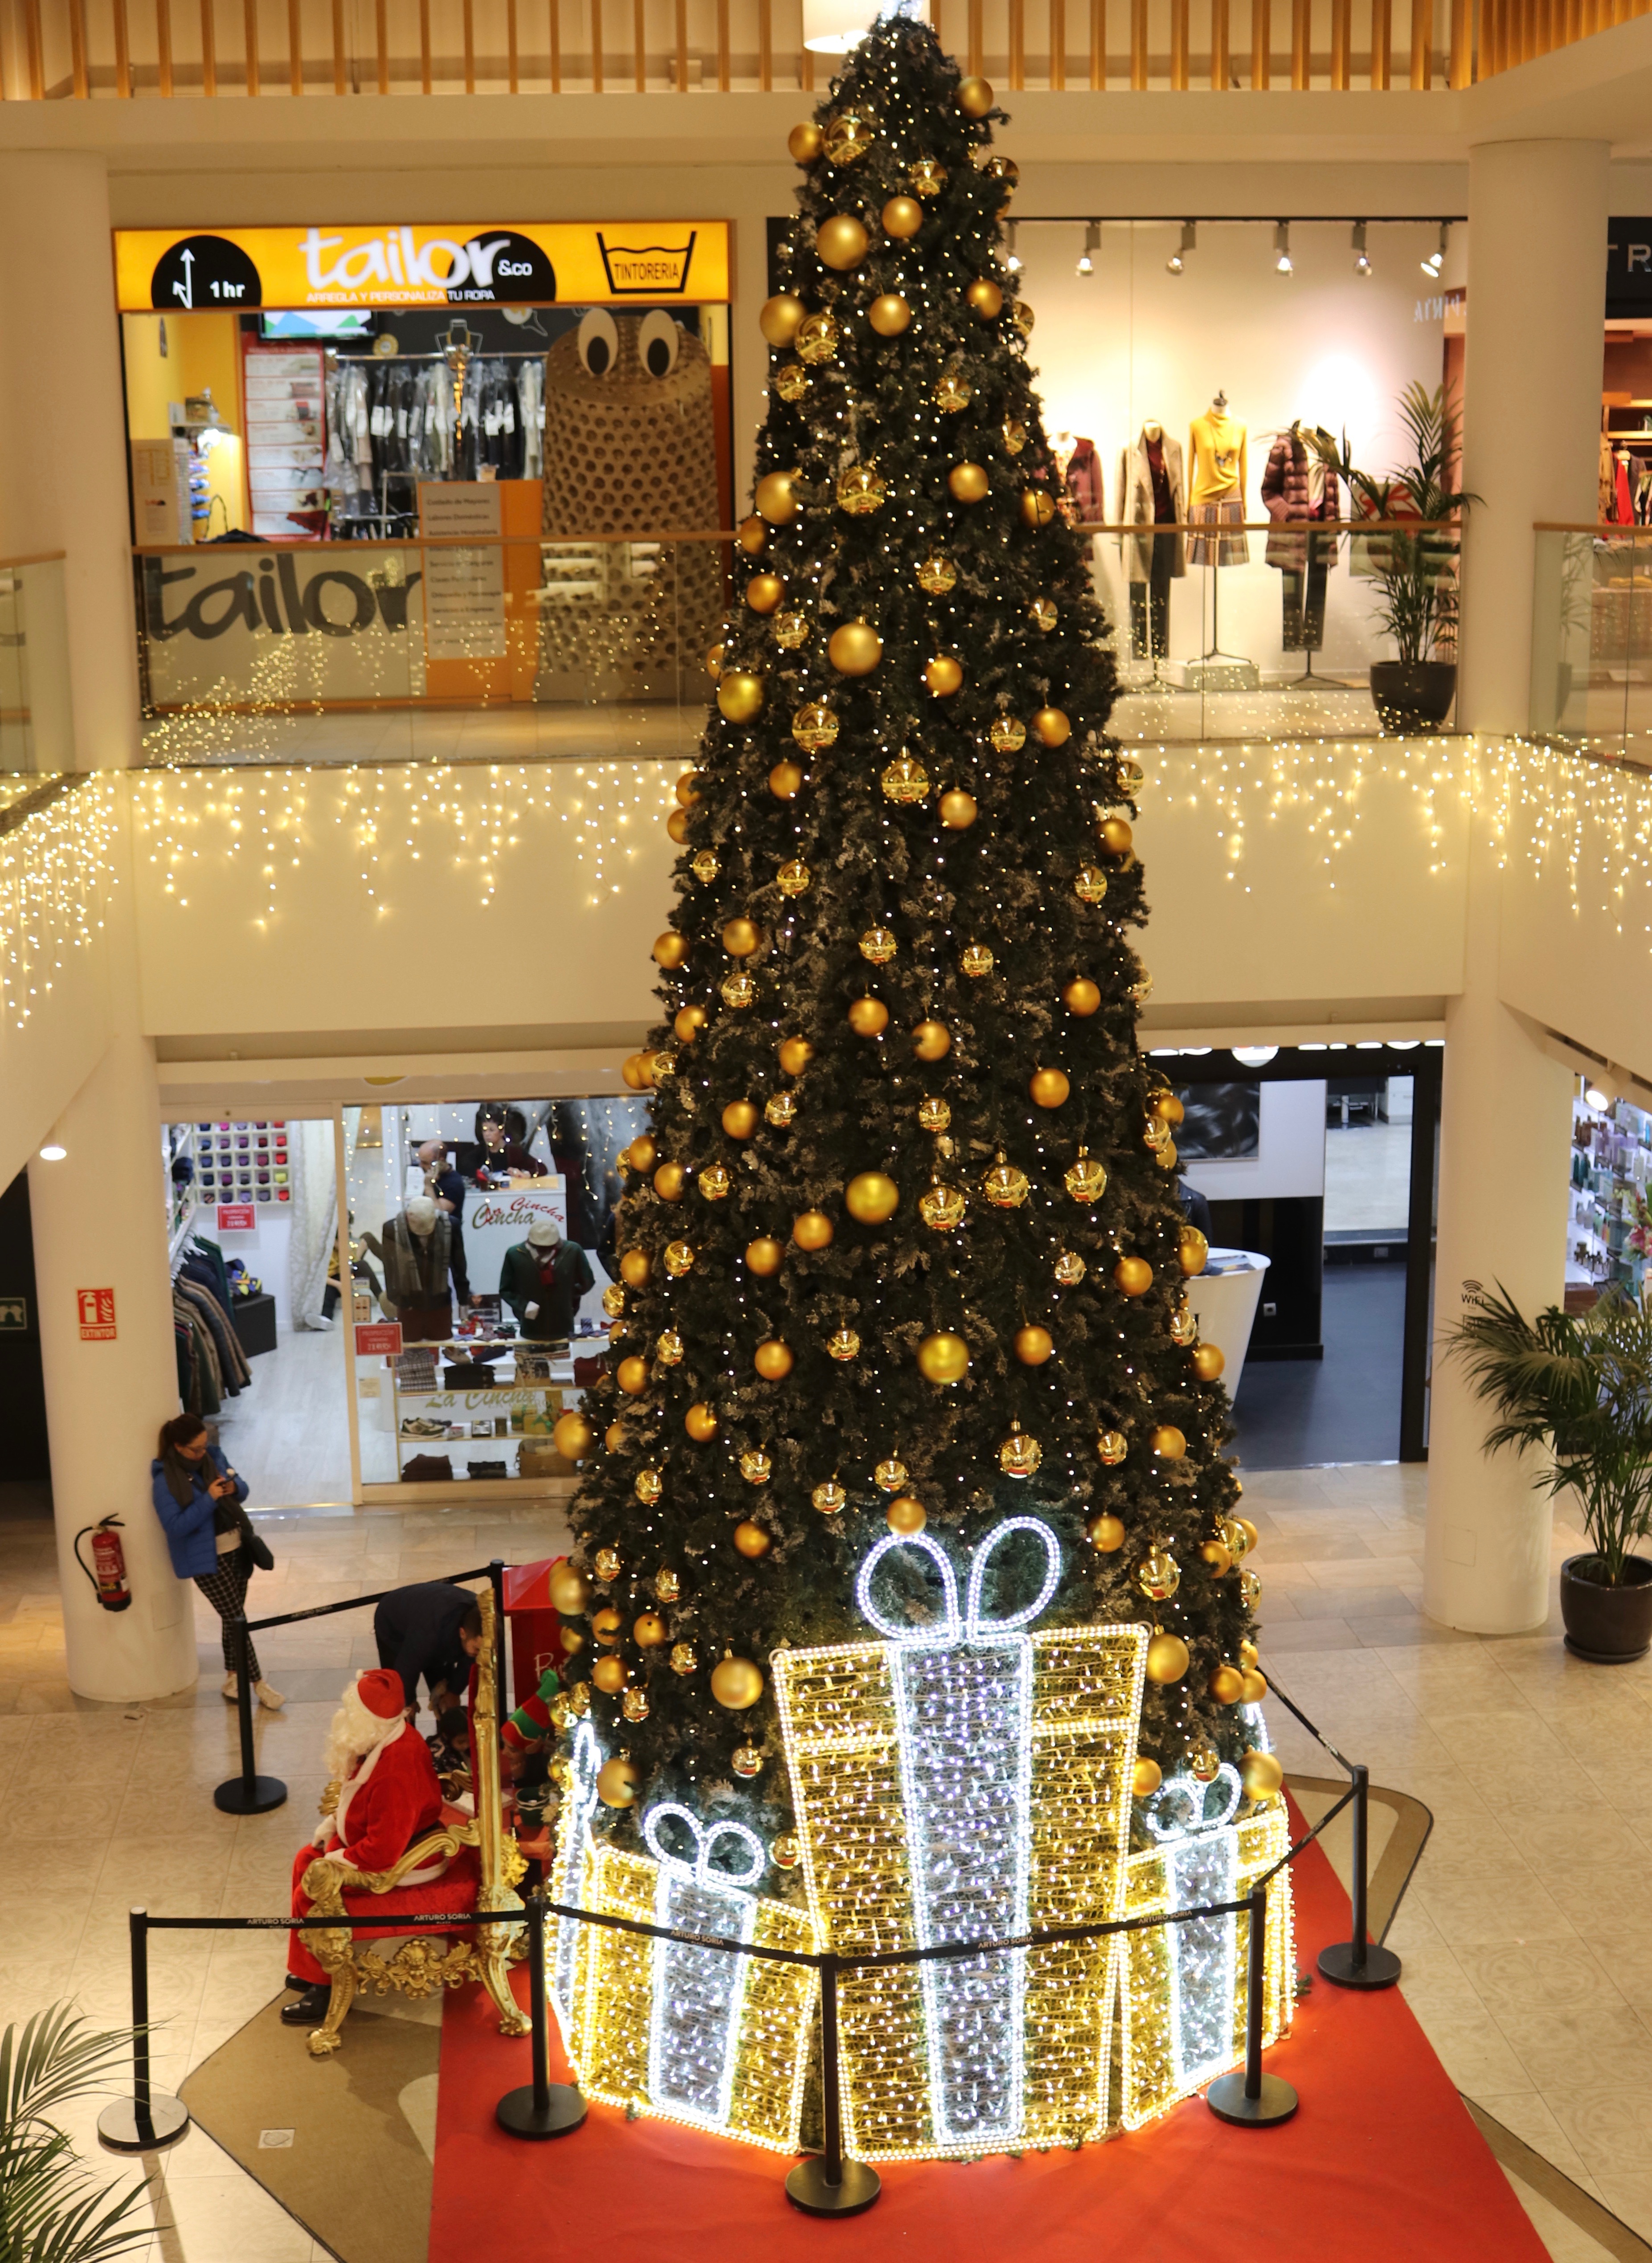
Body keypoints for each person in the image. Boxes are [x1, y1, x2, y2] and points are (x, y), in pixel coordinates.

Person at [282, 1666, 465, 2027]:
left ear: (370, 1722)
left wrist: (337, 1859)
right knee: (305, 1859)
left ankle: (325, 1985)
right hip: (375, 1840)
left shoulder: (397, 1767)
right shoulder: (382, 1739)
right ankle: (311, 1964)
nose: (343, 1718)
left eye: (352, 1713)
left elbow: (383, 1850)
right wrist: (333, 1824)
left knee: (314, 1886)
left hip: (406, 1858)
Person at [151, 1413, 283, 1710]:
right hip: (205, 1561)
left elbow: (244, 1489)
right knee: (238, 1619)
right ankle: (259, 1684)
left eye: (204, 1445)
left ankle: (233, 1676)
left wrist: (235, 1489)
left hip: (238, 1547)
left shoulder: (214, 1457)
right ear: (178, 1447)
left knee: (231, 1617)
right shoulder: (164, 1481)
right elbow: (174, 1526)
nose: (202, 1453)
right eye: (196, 1449)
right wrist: (208, 1498)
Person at [372, 1579, 485, 1717]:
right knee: (400, 1705)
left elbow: (472, 1661)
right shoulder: (429, 1637)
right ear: (462, 1633)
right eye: (477, 1649)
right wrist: (408, 1701)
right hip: (393, 1623)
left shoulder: (487, 1627)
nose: (480, 1653)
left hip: (432, 1618)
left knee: (443, 1696)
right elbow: (406, 1668)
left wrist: (453, 1691)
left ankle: (446, 1733)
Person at [499, 1216, 595, 1345]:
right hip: (530, 1329)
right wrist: (524, 1306)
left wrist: (569, 1295)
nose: (544, 1249)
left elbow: (588, 1281)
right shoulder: (515, 1255)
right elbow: (506, 1290)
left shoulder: (572, 1251)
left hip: (563, 1326)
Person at [416, 1138, 472, 1304]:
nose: (421, 1166)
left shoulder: (454, 1183)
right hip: (428, 1238)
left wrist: (428, 1188)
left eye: (425, 1163)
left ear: (439, 1161)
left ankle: (461, 1308)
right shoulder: (433, 1176)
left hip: (448, 1237)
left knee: (455, 1276)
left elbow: (440, 1212)